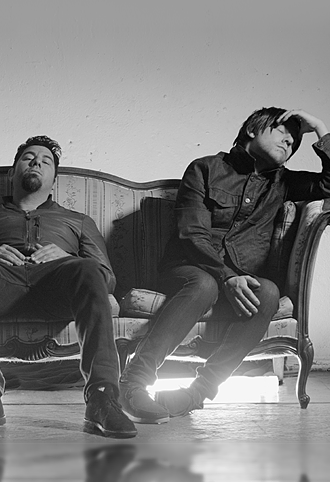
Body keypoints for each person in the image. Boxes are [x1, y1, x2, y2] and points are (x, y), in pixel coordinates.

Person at [119, 108, 330, 424]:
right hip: (188, 268)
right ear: (252, 131)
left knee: (268, 293)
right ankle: (134, 381)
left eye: (295, 141)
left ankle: (196, 394)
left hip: (242, 277)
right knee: (204, 284)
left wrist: (321, 128)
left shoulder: (284, 183)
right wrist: (226, 276)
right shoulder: (205, 168)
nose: (289, 141)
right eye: (282, 131)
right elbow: (192, 233)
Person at [0, 135, 137, 438]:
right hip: (1, 289)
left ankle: (102, 398)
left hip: (57, 290)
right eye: (28, 158)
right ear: (13, 172)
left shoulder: (78, 221)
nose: (36, 163)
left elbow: (106, 278)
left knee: (88, 267)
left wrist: (69, 258)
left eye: (45, 161)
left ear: (54, 179)